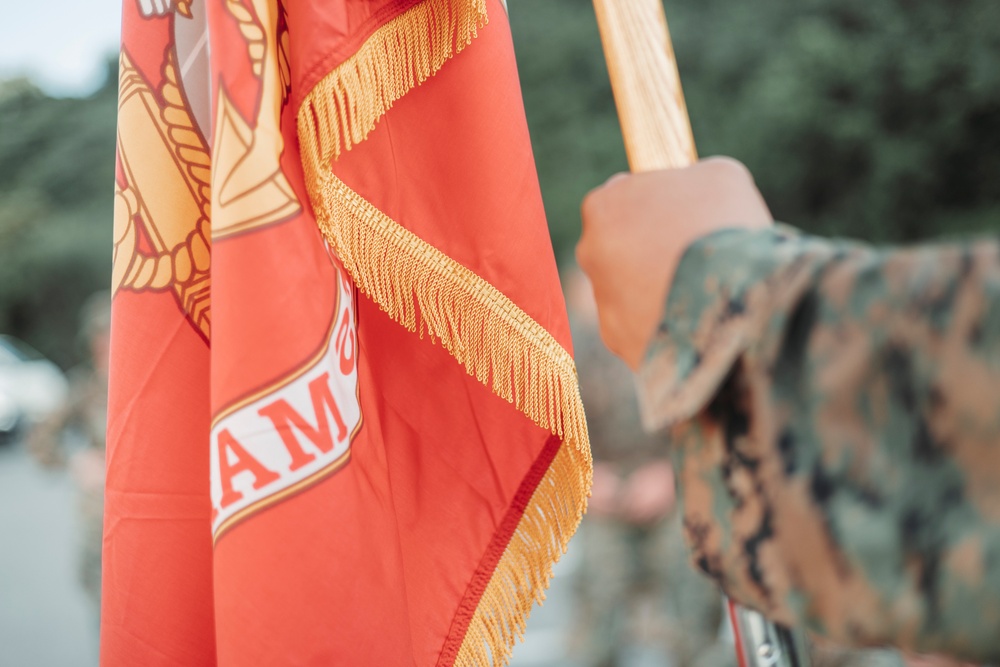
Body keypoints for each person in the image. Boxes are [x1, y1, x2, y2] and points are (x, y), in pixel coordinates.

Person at [576, 158, 997, 666]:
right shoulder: (581, 352)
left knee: (692, 619)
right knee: (600, 617)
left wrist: (722, 289)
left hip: (684, 492)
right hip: (621, 492)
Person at [29, 291, 110, 618]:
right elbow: (40, 441)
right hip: (99, 523)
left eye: (112, 334)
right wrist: (75, 461)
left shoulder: (155, 385)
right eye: (100, 336)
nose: (105, 344)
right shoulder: (83, 387)